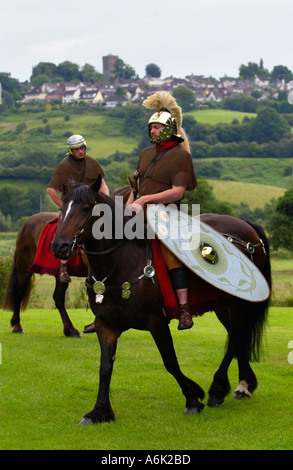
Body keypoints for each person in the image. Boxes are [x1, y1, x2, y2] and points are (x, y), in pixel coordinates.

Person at [126, 92, 197, 330]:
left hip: (168, 216)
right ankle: (108, 309)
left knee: (172, 254)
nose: (152, 132)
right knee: (112, 246)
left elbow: (178, 192)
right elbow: (136, 187)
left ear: (168, 129)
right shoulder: (146, 154)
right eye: (151, 128)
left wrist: (146, 199)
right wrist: (127, 207)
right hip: (139, 214)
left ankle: (184, 309)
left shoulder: (181, 156)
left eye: (156, 127)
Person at [47, 134, 109, 282]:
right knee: (64, 229)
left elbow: (103, 186)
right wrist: (65, 208)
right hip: (71, 207)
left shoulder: (93, 163)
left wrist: (105, 203)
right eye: (76, 149)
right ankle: (63, 267)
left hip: (90, 206)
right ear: (70, 151)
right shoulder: (63, 165)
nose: (81, 151)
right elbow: (50, 190)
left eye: (82, 148)